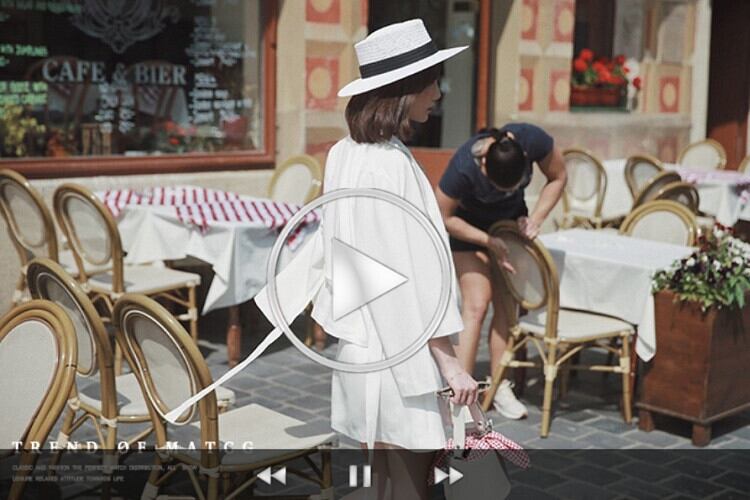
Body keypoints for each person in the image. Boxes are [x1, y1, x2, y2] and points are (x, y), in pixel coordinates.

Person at [313, 19, 478, 498]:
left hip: (362, 345)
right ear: (405, 90)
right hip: (402, 355)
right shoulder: (392, 164)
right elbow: (415, 275)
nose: (438, 94)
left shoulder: (343, 153)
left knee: (382, 484)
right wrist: (449, 362)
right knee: (411, 488)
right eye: (432, 82)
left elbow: (341, 253)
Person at [435, 123, 567, 419]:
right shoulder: (463, 167)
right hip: (467, 232)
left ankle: (499, 386)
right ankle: (461, 393)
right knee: (477, 304)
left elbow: (558, 176)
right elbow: (443, 216)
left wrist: (535, 219)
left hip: (508, 229)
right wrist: (487, 242)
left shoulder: (531, 140)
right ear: (484, 165)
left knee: (508, 306)